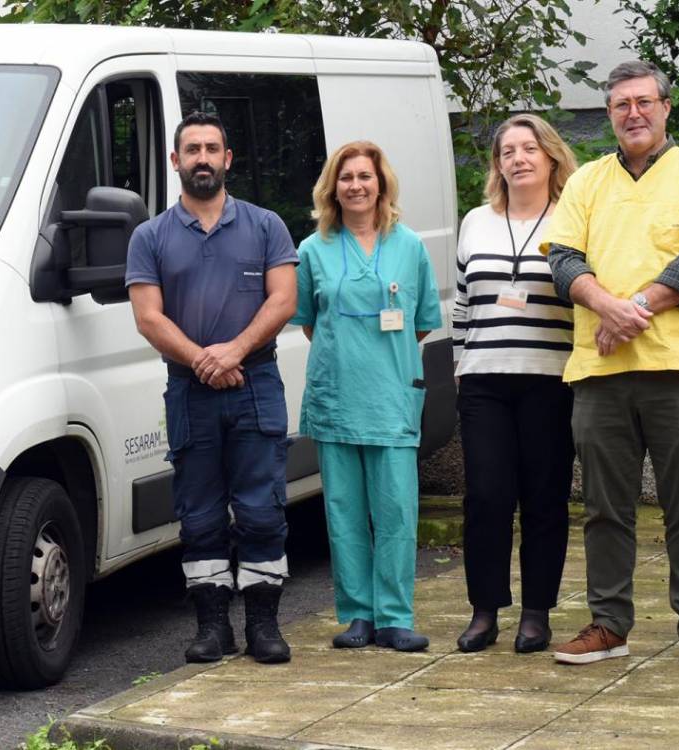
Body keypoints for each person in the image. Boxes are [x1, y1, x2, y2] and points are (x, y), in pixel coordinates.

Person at [540, 61, 679, 669]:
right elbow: (563, 261)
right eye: (621, 104)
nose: (633, 113)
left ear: (665, 108)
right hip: (600, 376)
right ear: (609, 115)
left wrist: (629, 309)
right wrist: (606, 306)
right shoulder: (588, 182)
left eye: (644, 102)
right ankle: (609, 623)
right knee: (605, 507)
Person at [126, 111, 299, 665]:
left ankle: (264, 627)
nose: (203, 157)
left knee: (262, 508)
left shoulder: (266, 225)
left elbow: (284, 300)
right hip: (189, 391)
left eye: (212, 148)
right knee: (198, 512)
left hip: (256, 381)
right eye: (192, 149)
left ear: (228, 159)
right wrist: (204, 359)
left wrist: (234, 350)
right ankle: (212, 628)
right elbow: (148, 317)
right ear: (176, 161)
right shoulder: (149, 236)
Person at [292, 141, 442, 652]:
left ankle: (395, 616)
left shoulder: (410, 247)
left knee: (397, 511)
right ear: (332, 188)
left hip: (392, 397)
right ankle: (357, 614)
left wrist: (382, 360)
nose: (356, 185)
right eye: (346, 177)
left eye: (365, 176)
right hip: (337, 397)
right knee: (344, 511)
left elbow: (421, 325)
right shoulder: (313, 250)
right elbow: (311, 324)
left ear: (381, 184)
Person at [451, 115, 579, 654]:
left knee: (544, 498)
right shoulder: (476, 221)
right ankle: (485, 611)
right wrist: (461, 369)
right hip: (483, 381)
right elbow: (461, 304)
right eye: (508, 151)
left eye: (530, 149)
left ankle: (536, 613)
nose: (519, 159)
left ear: (551, 157)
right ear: (497, 164)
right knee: (485, 497)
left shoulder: (573, 220)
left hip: (550, 380)